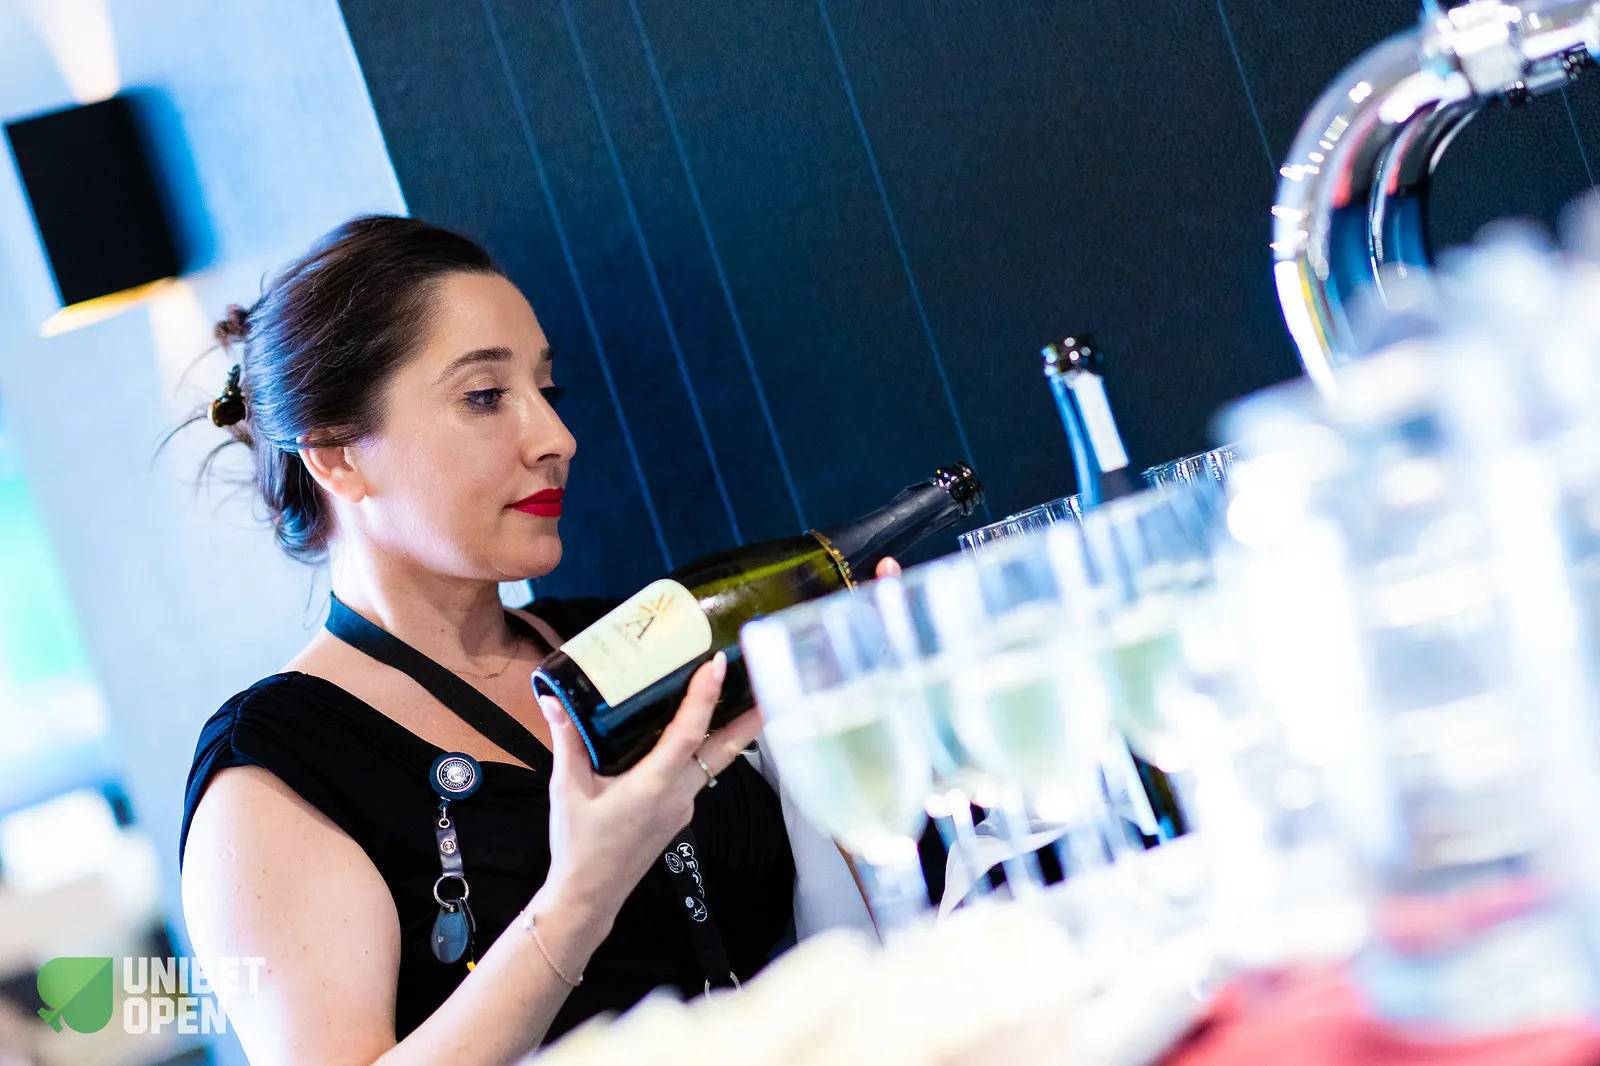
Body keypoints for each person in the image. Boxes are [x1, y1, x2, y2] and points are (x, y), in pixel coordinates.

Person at [177, 216, 881, 1066]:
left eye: (548, 390)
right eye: (484, 396)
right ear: (335, 456)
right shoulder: (273, 773)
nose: (556, 438)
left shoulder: (619, 637)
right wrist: (580, 894)